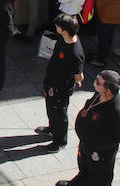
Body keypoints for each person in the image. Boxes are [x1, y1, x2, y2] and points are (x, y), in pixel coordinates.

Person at [55, 70, 120, 186]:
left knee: (98, 180)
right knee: (85, 170)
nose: (94, 82)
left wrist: (101, 140)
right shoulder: (99, 94)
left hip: (100, 154)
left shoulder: (117, 112)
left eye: (98, 82)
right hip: (86, 145)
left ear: (108, 90)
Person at [37, 14, 85, 152]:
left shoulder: (75, 52)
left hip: (61, 87)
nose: (56, 28)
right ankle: (52, 128)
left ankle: (59, 141)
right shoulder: (63, 39)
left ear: (64, 30)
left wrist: (77, 82)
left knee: (59, 113)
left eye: (58, 26)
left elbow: (79, 75)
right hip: (52, 81)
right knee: (51, 108)